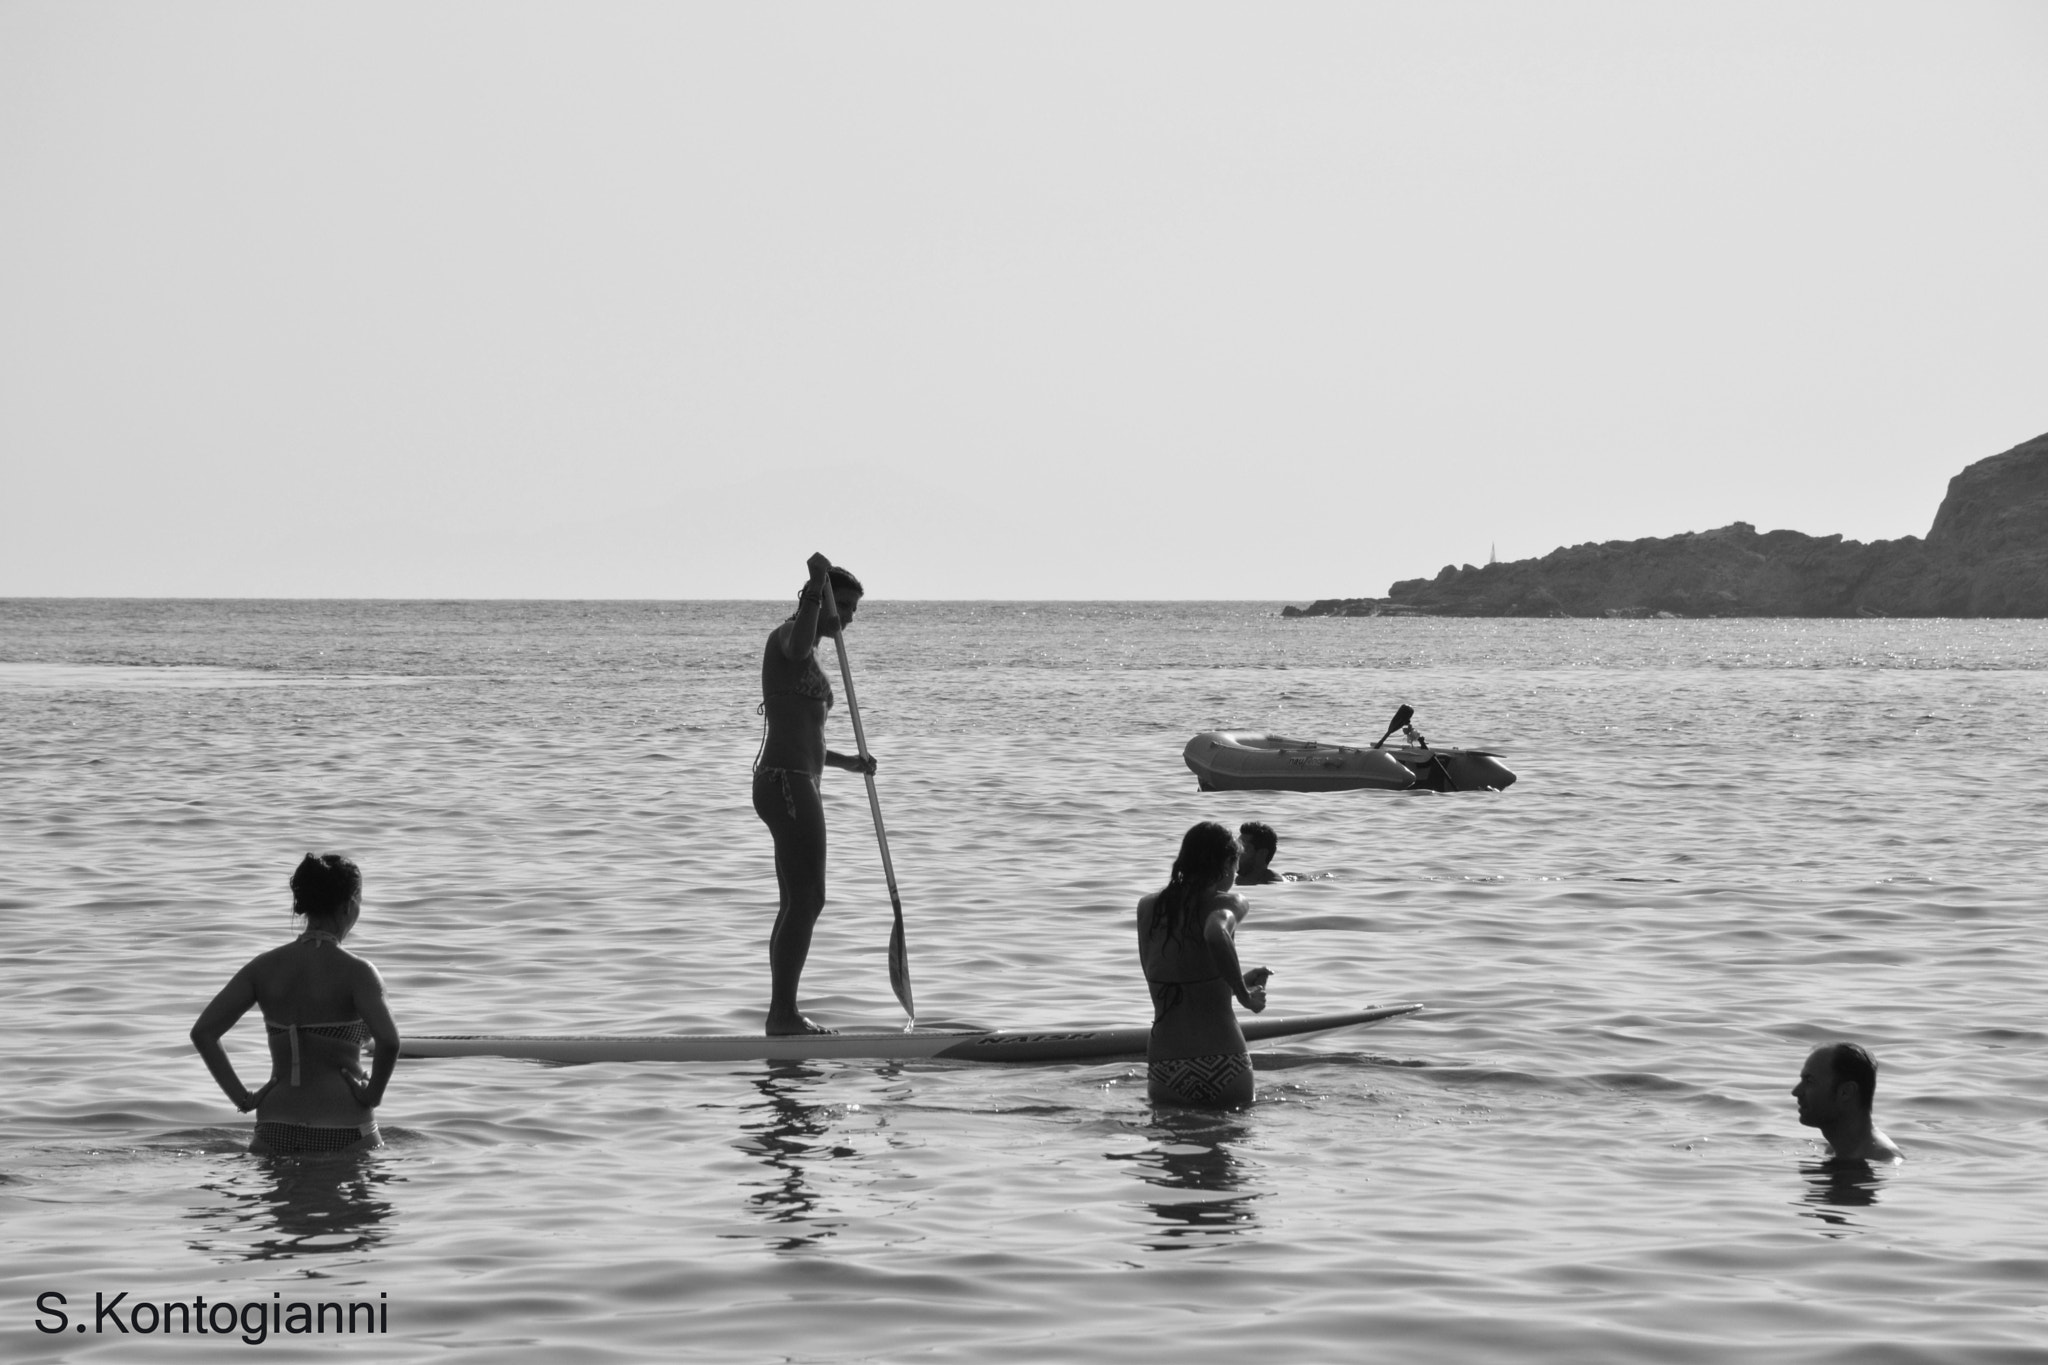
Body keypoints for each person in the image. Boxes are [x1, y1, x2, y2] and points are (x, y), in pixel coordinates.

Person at [190, 854, 399, 1157]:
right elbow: (390, 1042)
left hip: (274, 1127)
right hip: (345, 1126)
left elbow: (204, 1033)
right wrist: (373, 1095)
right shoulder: (358, 972)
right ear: (349, 904)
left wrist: (243, 1099)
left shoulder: (262, 967)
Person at [754, 552, 875, 1036]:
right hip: (786, 781)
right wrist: (814, 586)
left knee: (799, 901)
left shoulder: (813, 647)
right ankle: (782, 1013)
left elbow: (810, 739)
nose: (847, 618)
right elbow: (800, 645)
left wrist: (851, 763)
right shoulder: (789, 636)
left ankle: (781, 1011)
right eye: (842, 606)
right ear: (820, 600)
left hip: (797, 778)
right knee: (808, 899)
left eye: (851, 610)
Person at [1136, 821, 1271, 1108]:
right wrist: (1245, 997)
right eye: (1235, 866)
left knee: (1171, 1144)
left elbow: (1172, 977)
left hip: (1167, 1063)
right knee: (1228, 1143)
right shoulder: (1231, 901)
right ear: (1226, 864)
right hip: (1223, 1057)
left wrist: (1236, 982)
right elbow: (1215, 933)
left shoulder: (1147, 907)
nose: (1235, 874)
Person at [1791, 1041, 1903, 1163]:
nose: (1796, 1091)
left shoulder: (1884, 1160)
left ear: (1846, 1092)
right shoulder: (1835, 1149)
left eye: (1809, 1081)